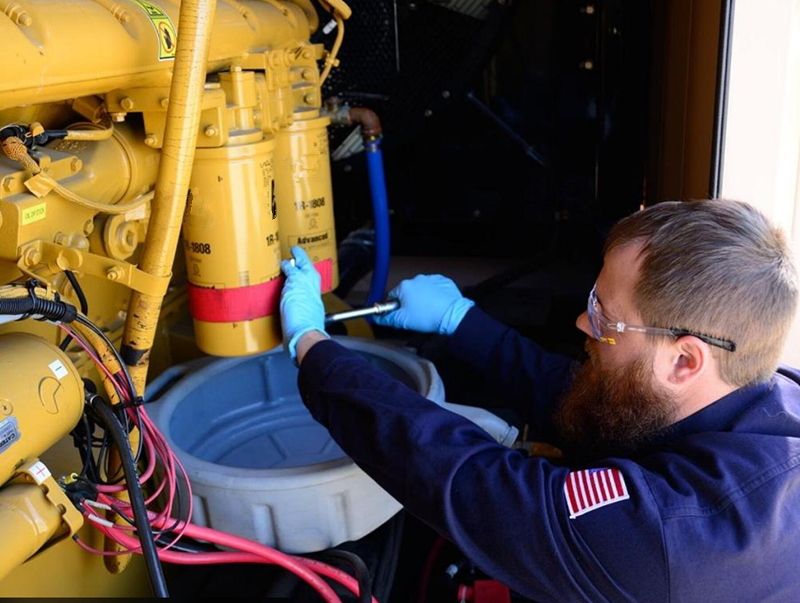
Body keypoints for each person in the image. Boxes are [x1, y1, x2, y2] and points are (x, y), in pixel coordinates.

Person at [279, 199, 800, 602]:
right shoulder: (756, 389)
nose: (582, 322)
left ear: (685, 361)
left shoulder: (678, 540)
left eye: (606, 318)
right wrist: (461, 322)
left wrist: (312, 348)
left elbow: (478, 487)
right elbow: (609, 405)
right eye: (593, 301)